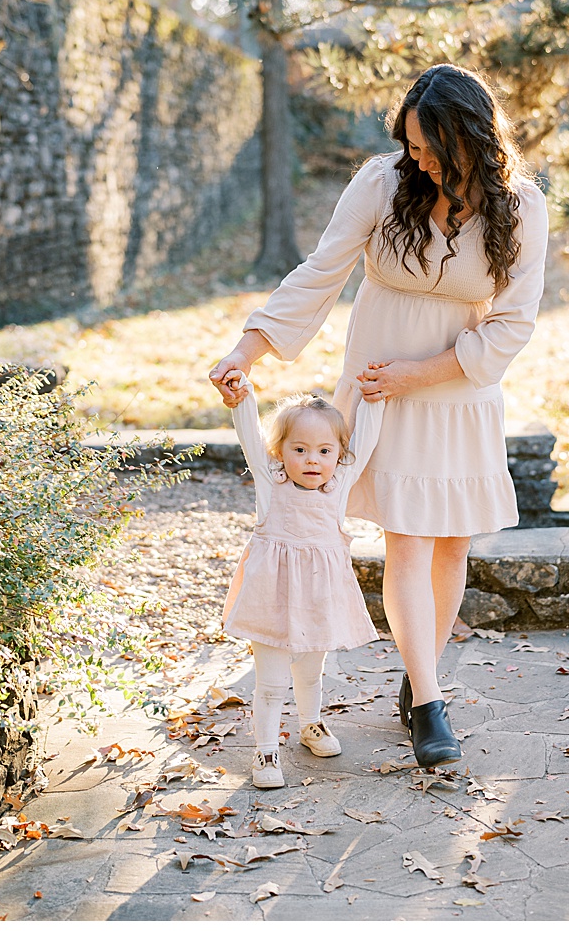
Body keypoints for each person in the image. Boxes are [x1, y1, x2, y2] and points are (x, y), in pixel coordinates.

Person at [209, 64, 548, 768]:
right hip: (378, 397)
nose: (418, 160)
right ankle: (430, 704)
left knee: (451, 544)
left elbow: (513, 325)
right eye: (412, 146)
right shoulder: (381, 184)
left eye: (431, 149)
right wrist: (249, 347)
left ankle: (418, 665)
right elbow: (320, 272)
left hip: (457, 393)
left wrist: (420, 373)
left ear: (470, 139)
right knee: (408, 543)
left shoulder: (520, 207)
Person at [218, 380, 381, 788]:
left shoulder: (338, 486)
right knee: (271, 682)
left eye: (325, 451)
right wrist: (243, 398)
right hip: (269, 599)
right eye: (300, 449)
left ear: (340, 455)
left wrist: (375, 400)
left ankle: (311, 725)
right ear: (280, 452)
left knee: (311, 672)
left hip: (318, 601)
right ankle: (267, 750)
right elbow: (249, 438)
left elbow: (368, 436)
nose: (313, 460)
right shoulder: (270, 484)